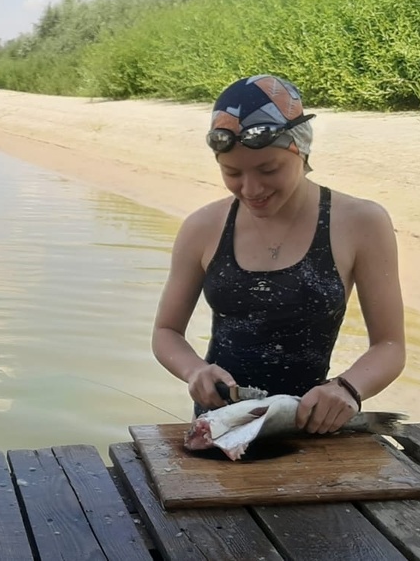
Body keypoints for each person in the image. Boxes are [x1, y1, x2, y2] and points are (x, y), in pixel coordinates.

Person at [151, 74, 406, 435]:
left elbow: (390, 345)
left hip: (313, 427)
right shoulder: (202, 228)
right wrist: (195, 370)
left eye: (268, 170)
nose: (251, 189)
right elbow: (166, 331)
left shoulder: (361, 223)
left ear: (300, 151)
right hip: (221, 429)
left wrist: (348, 388)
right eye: (232, 172)